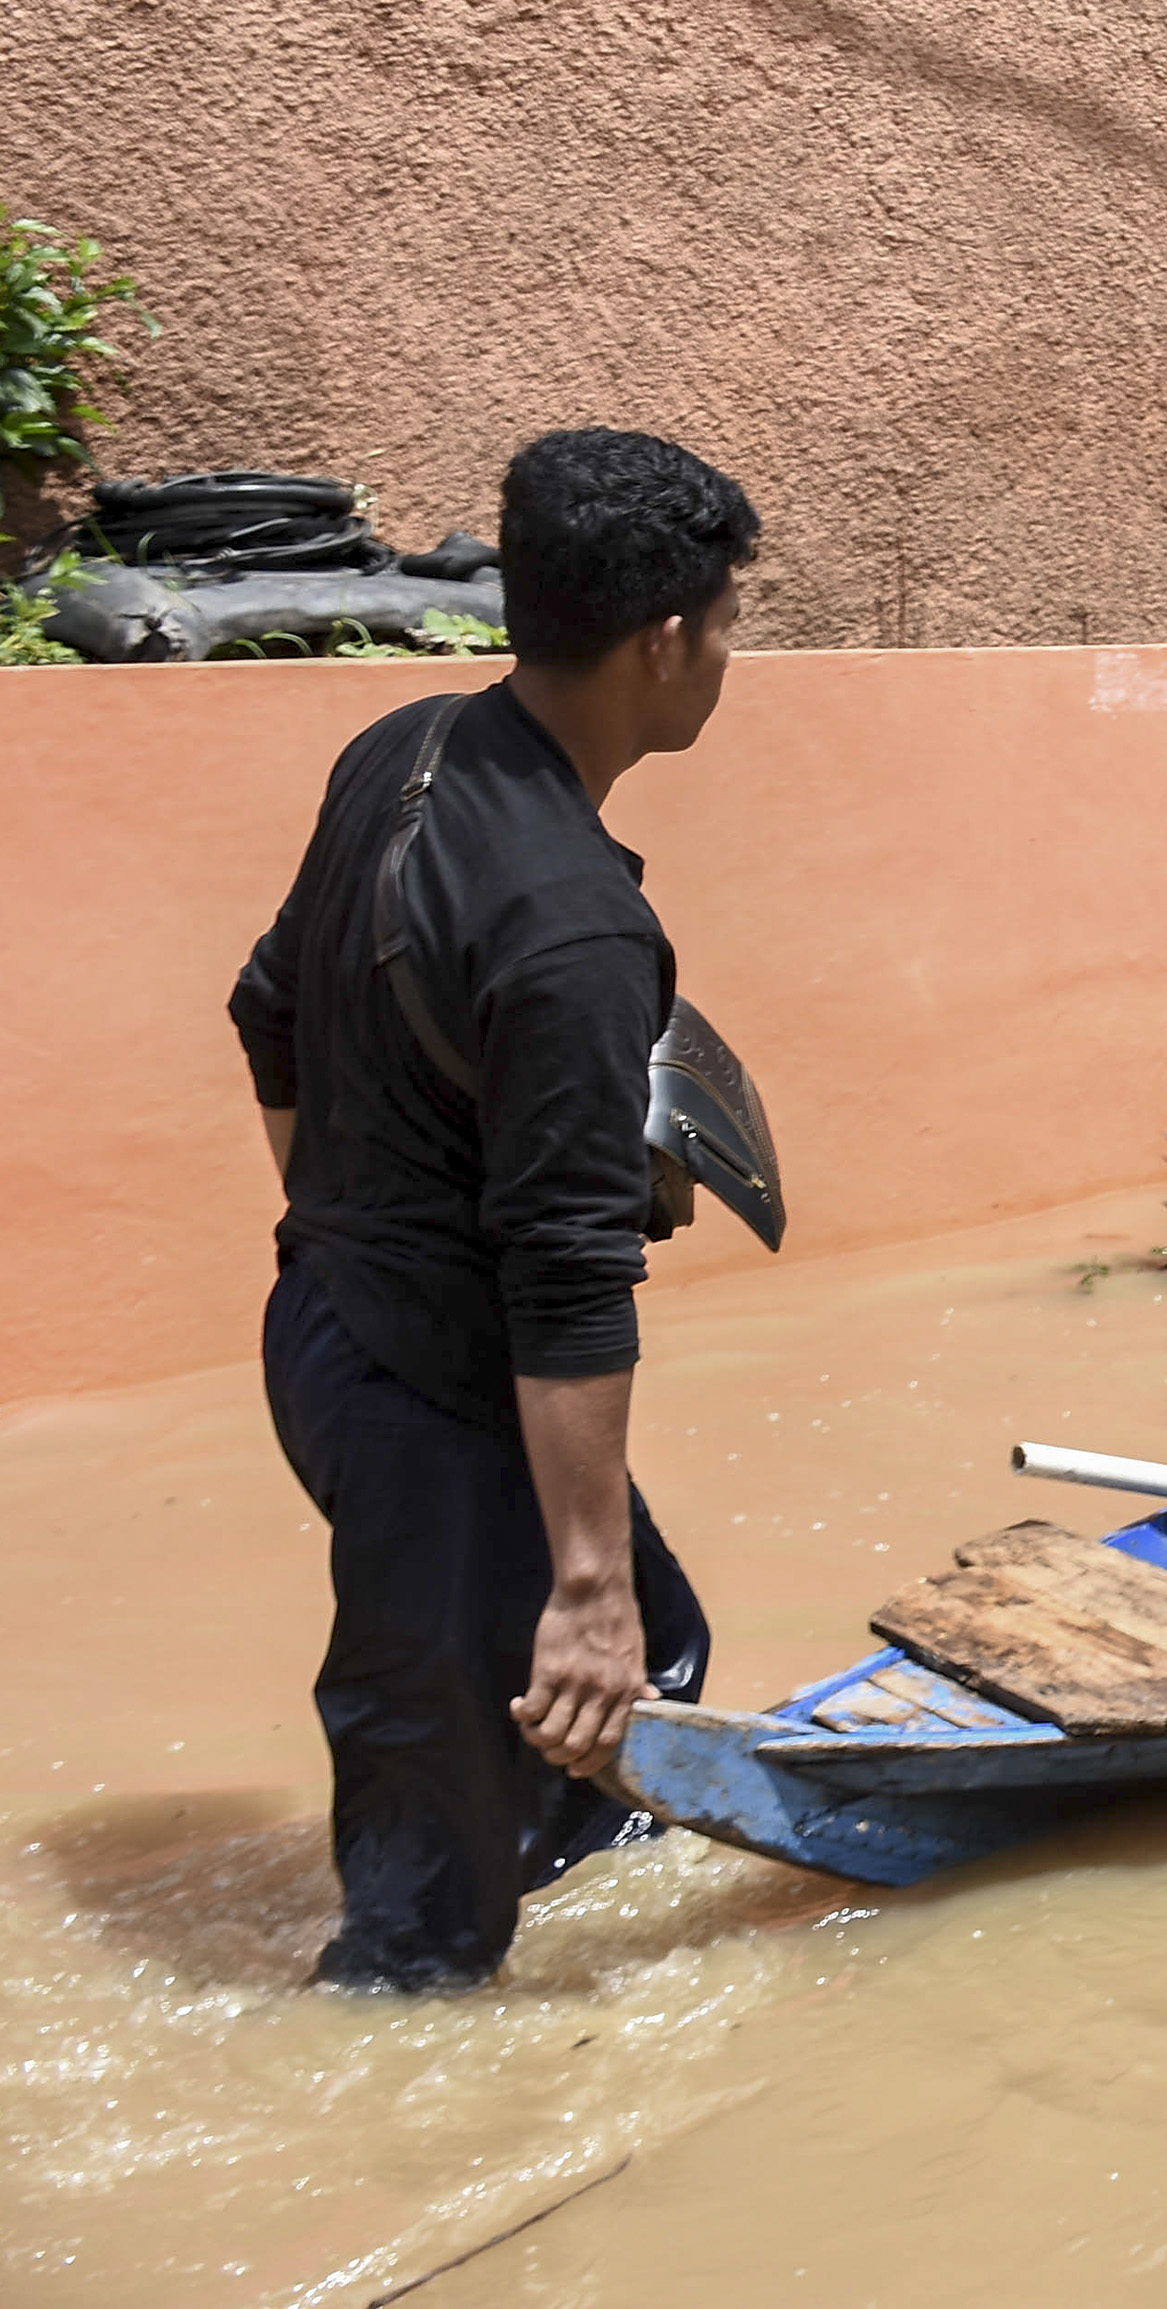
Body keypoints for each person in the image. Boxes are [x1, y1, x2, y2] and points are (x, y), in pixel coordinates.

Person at [229, 429, 754, 1992]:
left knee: (658, 1661)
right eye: (731, 618)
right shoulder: (579, 926)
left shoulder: (403, 744)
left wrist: (347, 1218)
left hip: (324, 1327)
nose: (733, 651)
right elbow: (567, 1268)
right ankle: (392, 2093)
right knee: (424, 1893)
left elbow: (265, 1009)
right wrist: (573, 1589)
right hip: (429, 1406)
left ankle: (599, 1986)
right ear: (663, 640)